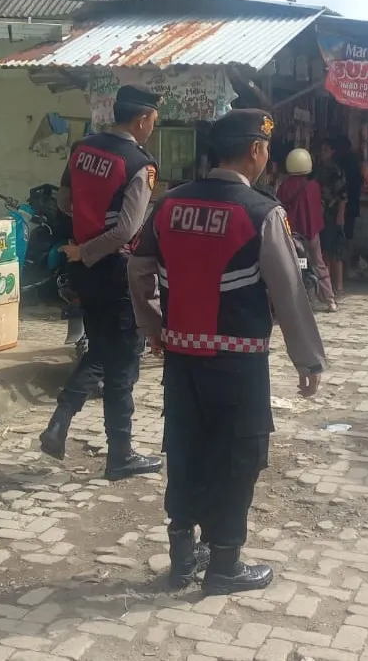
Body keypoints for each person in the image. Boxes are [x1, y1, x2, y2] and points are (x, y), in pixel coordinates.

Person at [129, 109, 327, 595]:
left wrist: (155, 327)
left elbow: (138, 269)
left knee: (186, 447)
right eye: (266, 149)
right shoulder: (262, 213)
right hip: (239, 364)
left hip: (182, 360)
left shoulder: (169, 204)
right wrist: (308, 359)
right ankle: (224, 564)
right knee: (238, 456)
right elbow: (288, 292)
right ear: (256, 150)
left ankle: (182, 556)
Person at [37, 85, 164, 480]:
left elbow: (64, 202)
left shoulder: (82, 148)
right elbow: (127, 230)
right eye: (153, 121)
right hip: (115, 271)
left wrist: (83, 240)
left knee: (102, 351)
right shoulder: (139, 165)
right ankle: (119, 455)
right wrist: (90, 249)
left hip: (85, 273)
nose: (152, 128)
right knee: (122, 365)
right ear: (142, 120)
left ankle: (59, 422)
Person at [276, 148, 338, 312]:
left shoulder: (284, 186)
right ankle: (330, 300)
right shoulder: (313, 186)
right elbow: (316, 211)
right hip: (311, 234)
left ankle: (294, 301)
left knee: (293, 265)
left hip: (291, 234)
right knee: (318, 263)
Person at [315, 139, 350, 298]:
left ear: (332, 152)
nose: (322, 153)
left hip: (333, 214)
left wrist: (340, 215)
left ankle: (339, 287)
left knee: (335, 251)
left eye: (326, 150)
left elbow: (343, 195)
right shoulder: (319, 170)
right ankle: (328, 288)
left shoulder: (335, 170)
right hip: (322, 214)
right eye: (321, 150)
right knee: (325, 252)